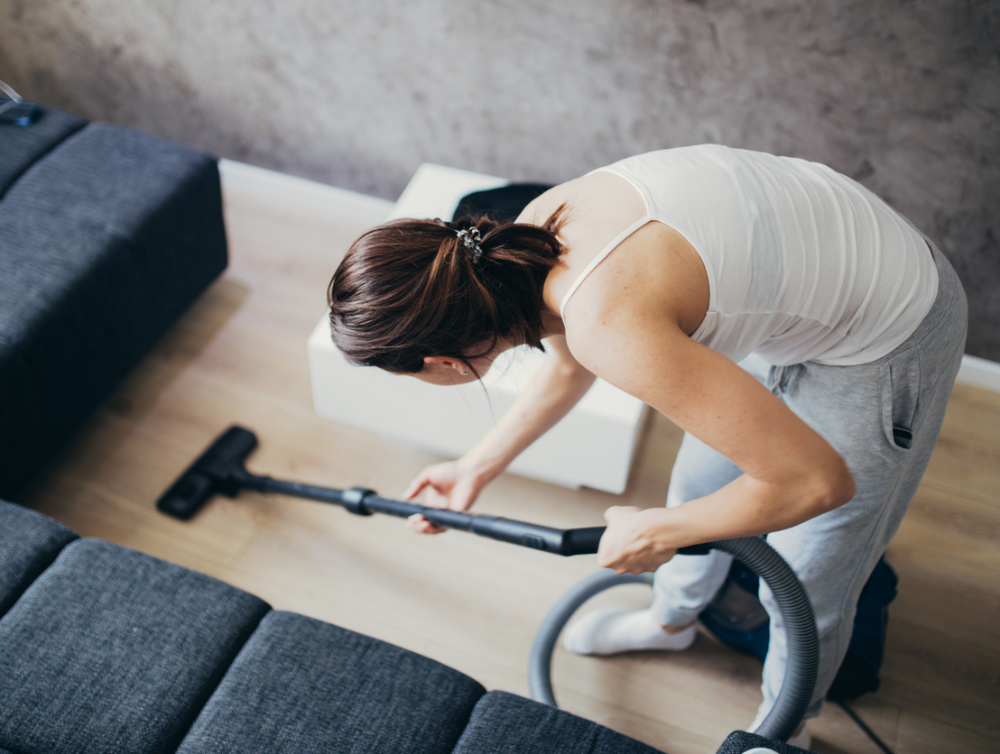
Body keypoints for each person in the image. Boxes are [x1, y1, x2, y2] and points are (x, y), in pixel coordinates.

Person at [326, 145, 967, 744]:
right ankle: (672, 623)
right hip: (805, 293)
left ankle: (786, 728)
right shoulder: (520, 242)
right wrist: (476, 465)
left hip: (889, 330)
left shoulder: (608, 322)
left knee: (804, 577)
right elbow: (568, 368)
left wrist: (660, 532)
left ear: (441, 361)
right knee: (699, 489)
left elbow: (817, 482)